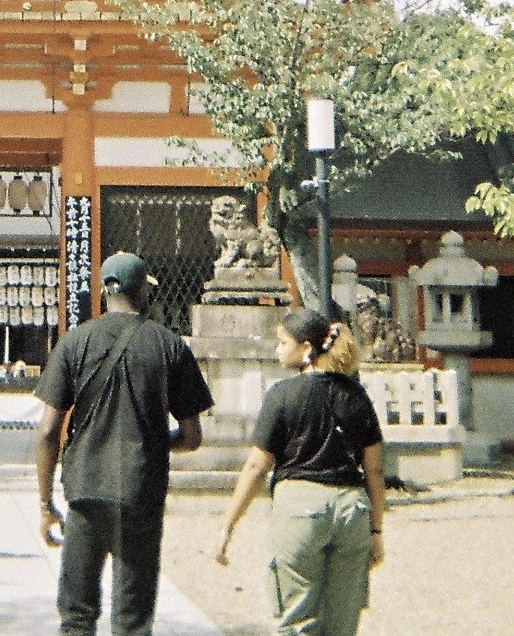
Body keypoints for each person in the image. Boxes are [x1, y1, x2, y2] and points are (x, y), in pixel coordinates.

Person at [35, 251, 214, 636]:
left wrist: (45, 503)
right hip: (140, 491)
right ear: (143, 293)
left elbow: (48, 431)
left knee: (77, 615)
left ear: (103, 292)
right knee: (133, 621)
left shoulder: (74, 342)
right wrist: (149, 442)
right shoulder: (170, 346)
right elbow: (192, 436)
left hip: (85, 490)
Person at [215, 307, 386, 636]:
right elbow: (374, 469)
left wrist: (228, 525)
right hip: (352, 510)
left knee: (297, 620)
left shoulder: (282, 395)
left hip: (300, 507)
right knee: (342, 624)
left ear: (307, 348)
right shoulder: (357, 396)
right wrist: (376, 531)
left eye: (282, 342)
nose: (276, 349)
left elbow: (256, 467)